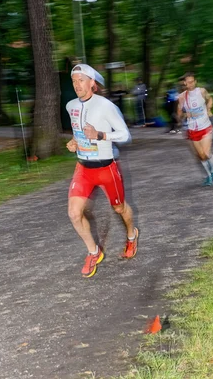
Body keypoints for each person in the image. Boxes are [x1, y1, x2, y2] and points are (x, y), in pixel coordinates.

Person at [66, 63, 139, 278]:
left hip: (107, 167)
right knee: (73, 212)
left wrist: (101, 135)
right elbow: (79, 133)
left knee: (119, 208)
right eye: (74, 81)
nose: (77, 84)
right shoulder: (71, 106)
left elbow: (126, 136)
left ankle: (131, 235)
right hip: (83, 168)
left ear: (92, 83)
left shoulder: (106, 106)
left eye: (81, 80)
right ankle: (93, 251)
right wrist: (74, 142)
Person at [177, 71, 213, 186]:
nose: (190, 84)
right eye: (188, 82)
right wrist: (185, 115)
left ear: (195, 81)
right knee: (201, 155)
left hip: (205, 126)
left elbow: (210, 99)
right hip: (193, 129)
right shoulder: (182, 97)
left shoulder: (201, 91)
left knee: (206, 153)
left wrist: (209, 108)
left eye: (192, 82)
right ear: (184, 83)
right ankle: (209, 176)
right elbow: (179, 112)